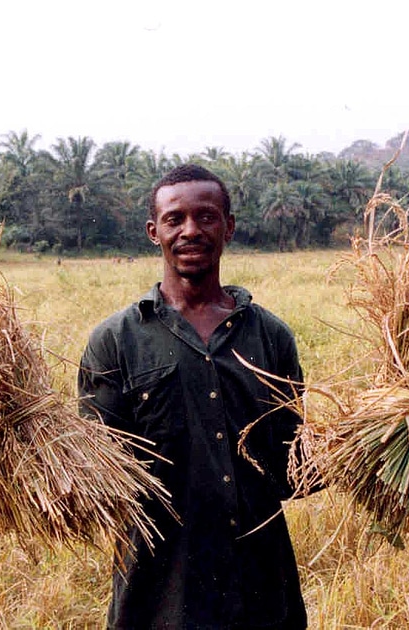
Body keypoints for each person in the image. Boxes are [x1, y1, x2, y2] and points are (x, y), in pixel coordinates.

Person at [78, 163, 308, 629]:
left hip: (261, 590)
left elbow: (292, 469)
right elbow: (97, 479)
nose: (191, 231)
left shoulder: (271, 337)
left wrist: (361, 445)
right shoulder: (115, 341)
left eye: (206, 217)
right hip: (160, 594)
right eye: (174, 219)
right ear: (153, 231)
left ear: (229, 227)